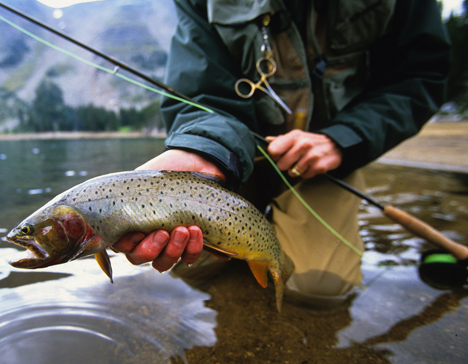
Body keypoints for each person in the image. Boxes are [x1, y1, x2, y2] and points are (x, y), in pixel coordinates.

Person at [112, 0, 451, 307]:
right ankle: (255, 241)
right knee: (190, 269)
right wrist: (204, 150)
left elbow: (419, 74)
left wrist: (344, 138)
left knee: (320, 289)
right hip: (235, 159)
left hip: (326, 164)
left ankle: (267, 241)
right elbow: (203, 94)